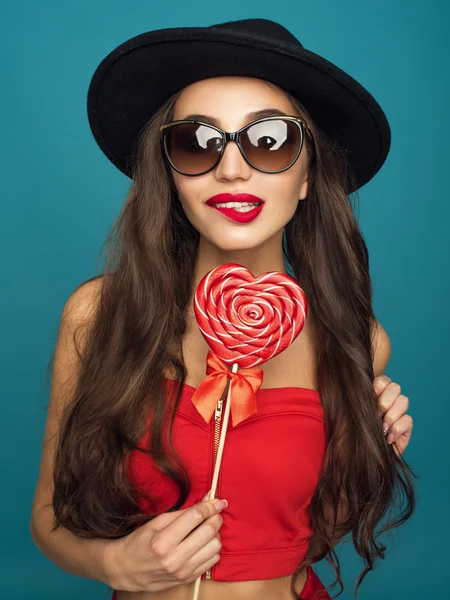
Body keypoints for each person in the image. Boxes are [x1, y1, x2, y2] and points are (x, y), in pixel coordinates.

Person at [30, 18, 415, 600]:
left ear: (307, 174)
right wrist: (115, 565)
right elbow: (47, 521)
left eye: (270, 141)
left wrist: (371, 450)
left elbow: (306, 538)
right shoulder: (98, 314)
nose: (231, 168)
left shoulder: (356, 338)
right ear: (170, 172)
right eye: (198, 143)